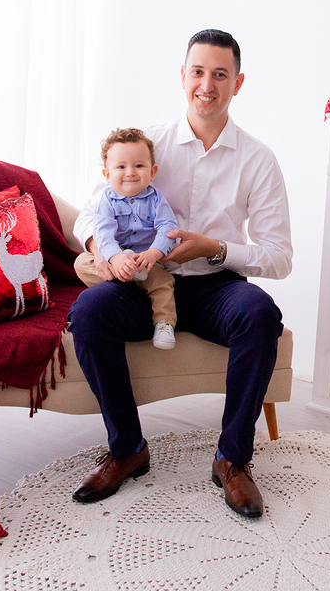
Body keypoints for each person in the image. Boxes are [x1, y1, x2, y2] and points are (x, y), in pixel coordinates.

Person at [67, 29, 293, 519]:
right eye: (198, 72)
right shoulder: (150, 144)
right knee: (88, 311)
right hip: (144, 282)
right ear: (183, 77)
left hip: (215, 286)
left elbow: (279, 257)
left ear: (238, 83)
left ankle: (233, 460)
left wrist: (215, 247)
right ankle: (127, 448)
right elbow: (91, 211)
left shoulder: (258, 159)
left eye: (220, 74)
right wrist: (96, 249)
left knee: (259, 313)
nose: (206, 85)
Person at [80, 127, 179, 350]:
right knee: (81, 263)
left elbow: (168, 227)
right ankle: (123, 279)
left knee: (163, 284)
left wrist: (154, 253)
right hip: (116, 258)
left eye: (139, 166)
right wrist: (115, 258)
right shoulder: (105, 200)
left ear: (152, 172)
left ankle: (164, 324)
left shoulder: (156, 199)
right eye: (121, 167)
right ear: (107, 175)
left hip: (146, 261)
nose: (130, 172)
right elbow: (102, 232)